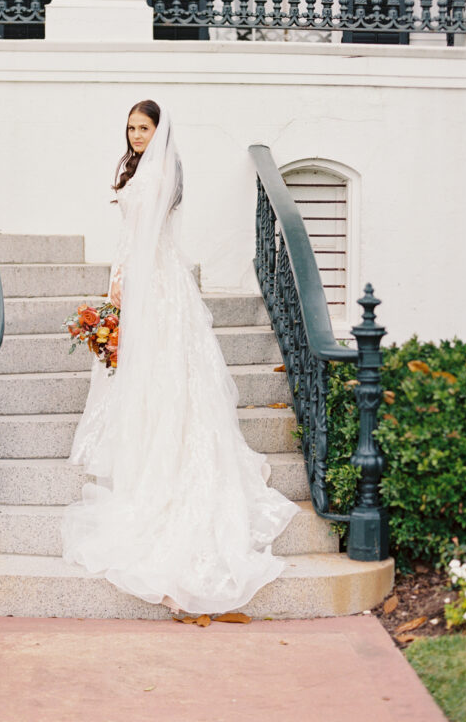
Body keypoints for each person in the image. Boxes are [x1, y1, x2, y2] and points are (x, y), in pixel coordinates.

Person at [60, 100, 300, 615]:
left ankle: (167, 458)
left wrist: (121, 291)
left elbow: (142, 240)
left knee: (168, 371)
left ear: (159, 130)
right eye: (129, 128)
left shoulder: (159, 174)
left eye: (143, 128)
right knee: (152, 374)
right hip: (148, 274)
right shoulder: (140, 169)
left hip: (155, 281)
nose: (135, 136)